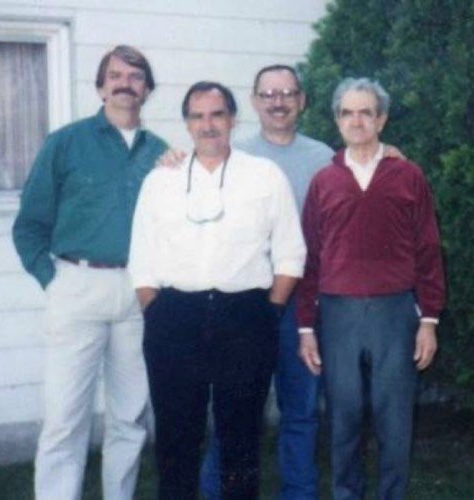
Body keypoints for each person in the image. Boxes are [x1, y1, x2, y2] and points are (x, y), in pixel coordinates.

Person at [128, 81, 306, 499]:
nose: (208, 125)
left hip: (245, 316)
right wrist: (157, 311)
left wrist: (269, 312)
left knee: (241, 436)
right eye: (198, 116)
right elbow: (141, 260)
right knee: (176, 436)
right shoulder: (161, 180)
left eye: (217, 114)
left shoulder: (264, 175)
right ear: (187, 123)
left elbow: (290, 254)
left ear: (233, 119)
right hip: (175, 317)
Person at [12, 45, 167, 500]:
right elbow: (29, 225)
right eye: (115, 75)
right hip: (76, 286)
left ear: (147, 89)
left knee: (129, 415)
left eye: (135, 77)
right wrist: (54, 280)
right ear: (100, 87)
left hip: (136, 292)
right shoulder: (65, 143)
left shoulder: (160, 154)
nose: (124, 84)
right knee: (65, 417)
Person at [296, 77, 445, 499]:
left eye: (366, 112)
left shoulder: (408, 176)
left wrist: (429, 320)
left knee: (394, 419)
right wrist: (306, 326)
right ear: (337, 120)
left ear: (381, 120)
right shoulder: (324, 181)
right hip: (338, 313)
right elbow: (310, 256)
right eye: (347, 113)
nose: (356, 121)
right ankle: (347, 493)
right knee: (343, 416)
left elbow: (428, 248)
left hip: (394, 312)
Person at [200, 64, 333, 500]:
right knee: (236, 410)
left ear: (302, 101)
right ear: (255, 101)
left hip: (303, 305)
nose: (278, 102)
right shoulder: (231, 158)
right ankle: (219, 492)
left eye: (288, 93)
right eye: (269, 94)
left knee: (301, 409)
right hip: (247, 301)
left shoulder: (324, 158)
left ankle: (299, 493)